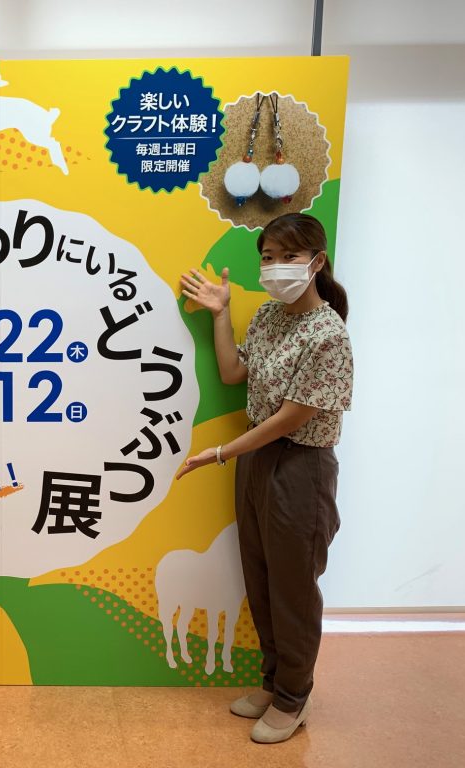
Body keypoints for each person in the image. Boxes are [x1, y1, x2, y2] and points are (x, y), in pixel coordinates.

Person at [176, 212, 353, 744]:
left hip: (300, 466)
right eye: (268, 257)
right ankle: (274, 683)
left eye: (289, 257)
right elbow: (235, 373)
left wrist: (221, 453)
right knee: (260, 579)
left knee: (293, 588)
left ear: (316, 262)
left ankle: (294, 697)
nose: (276, 267)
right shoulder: (270, 317)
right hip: (255, 460)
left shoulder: (329, 334)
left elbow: (291, 419)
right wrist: (221, 313)